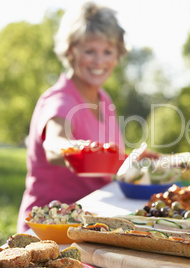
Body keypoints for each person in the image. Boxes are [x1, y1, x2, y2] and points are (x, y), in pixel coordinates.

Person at [17, 2, 128, 232]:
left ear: (118, 55)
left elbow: (110, 160)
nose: (99, 61)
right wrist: (75, 148)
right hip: (49, 227)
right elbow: (54, 145)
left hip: (91, 221)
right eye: (89, 51)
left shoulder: (104, 99)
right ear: (70, 51)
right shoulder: (60, 100)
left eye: (107, 51)